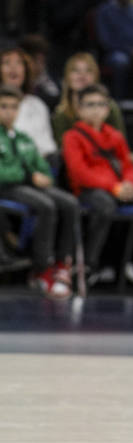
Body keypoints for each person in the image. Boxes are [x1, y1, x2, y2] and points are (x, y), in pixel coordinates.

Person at [61, 83, 133, 294]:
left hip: (121, 188)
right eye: (90, 105)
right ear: (79, 109)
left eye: (100, 104)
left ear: (108, 109)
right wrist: (114, 187)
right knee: (104, 207)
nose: (96, 109)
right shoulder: (72, 137)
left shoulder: (115, 136)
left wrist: (130, 184)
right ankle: (89, 264)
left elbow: (128, 166)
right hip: (90, 190)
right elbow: (79, 173)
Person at [0, 84, 79, 298]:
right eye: (3, 107)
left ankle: (63, 263)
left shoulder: (24, 138)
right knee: (46, 206)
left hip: (28, 185)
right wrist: (28, 176)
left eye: (13, 107)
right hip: (6, 188)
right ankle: (41, 268)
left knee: (70, 202)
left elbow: (41, 166)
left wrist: (45, 177)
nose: (9, 112)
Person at [53, 51, 127, 144]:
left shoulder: (110, 107)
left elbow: (120, 142)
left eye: (88, 70)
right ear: (67, 77)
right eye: (75, 70)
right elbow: (62, 148)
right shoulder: (61, 113)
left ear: (96, 76)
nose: (82, 75)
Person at [0, 46, 56, 158]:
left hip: (35, 168)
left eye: (19, 63)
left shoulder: (37, 105)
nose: (13, 67)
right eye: (7, 62)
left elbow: (47, 147)